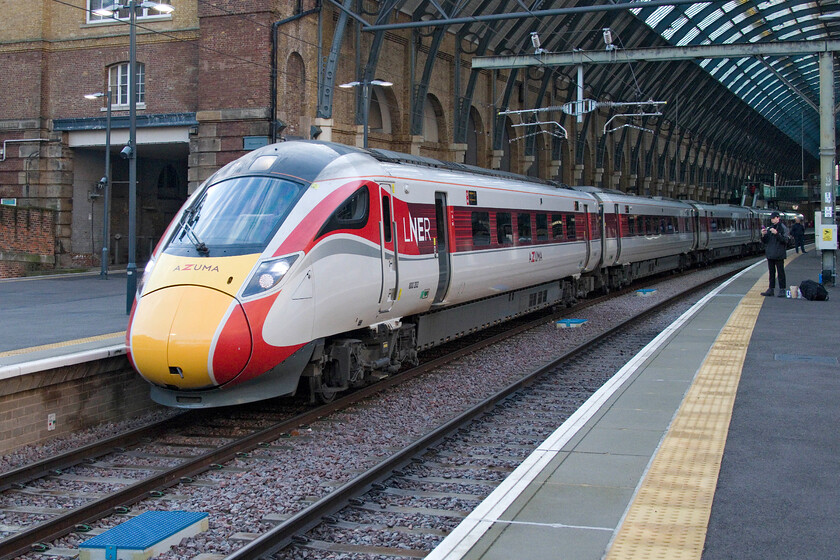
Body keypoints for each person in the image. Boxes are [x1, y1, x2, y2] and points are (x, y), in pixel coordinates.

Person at [760, 211, 789, 297]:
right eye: (771, 218)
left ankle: (782, 289)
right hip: (770, 254)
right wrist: (763, 235)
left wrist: (777, 234)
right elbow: (766, 241)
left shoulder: (783, 228)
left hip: (779, 254)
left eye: (773, 218)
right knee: (771, 273)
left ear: (778, 218)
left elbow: (785, 240)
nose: (772, 220)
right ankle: (771, 289)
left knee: (780, 272)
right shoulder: (770, 228)